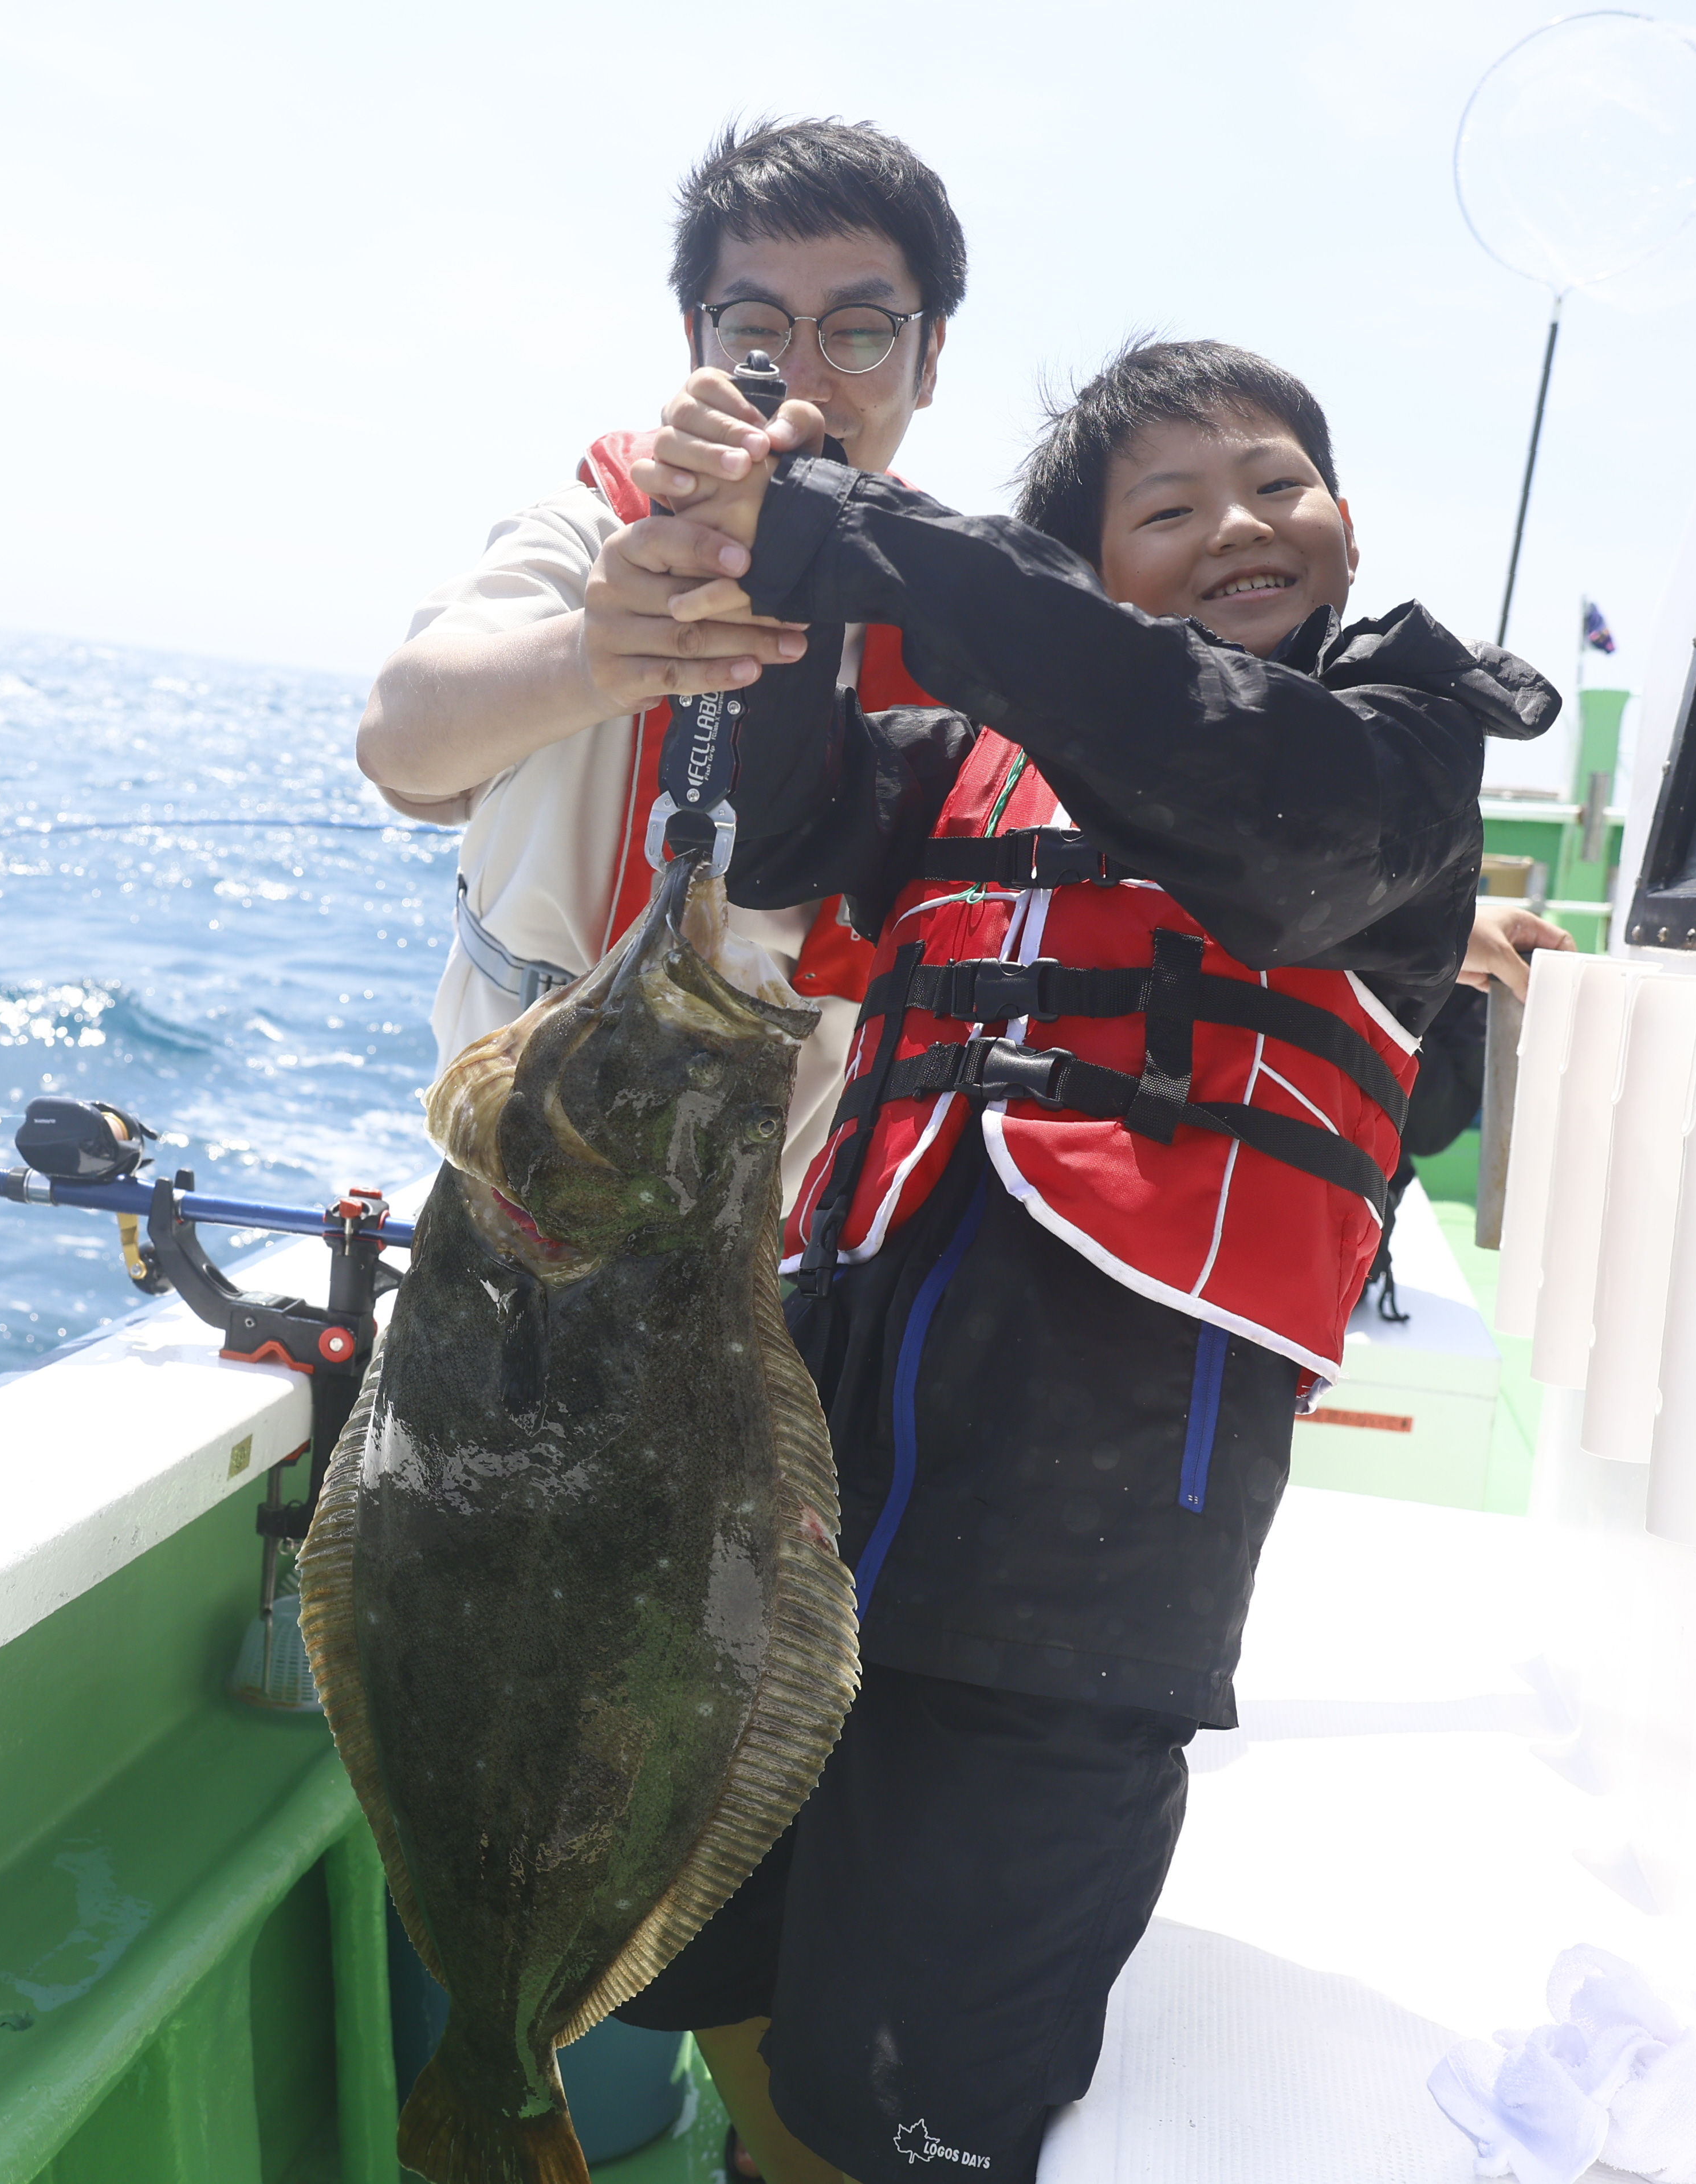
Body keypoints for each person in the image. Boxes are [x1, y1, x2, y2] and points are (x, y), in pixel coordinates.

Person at [591, 340, 1559, 2182]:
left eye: (1277, 482)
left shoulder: (1399, 748)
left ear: (1345, 523)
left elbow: (1277, 836)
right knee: (709, 1929)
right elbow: (775, 825)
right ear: (1087, 572)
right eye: (1171, 509)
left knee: (919, 2078)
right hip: (807, 1444)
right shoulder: (960, 756)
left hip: (1087, 1539)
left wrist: (860, 525)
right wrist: (743, 563)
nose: (1242, 526)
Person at [356, 117, 968, 1212]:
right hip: (513, 1205)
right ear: (696, 340)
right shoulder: (591, 536)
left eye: (863, 332)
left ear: (929, 367)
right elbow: (401, 742)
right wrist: (596, 659)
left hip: (776, 1262)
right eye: (757, 327)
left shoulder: (955, 627)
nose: (806, 381)